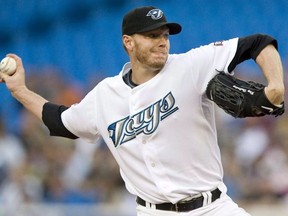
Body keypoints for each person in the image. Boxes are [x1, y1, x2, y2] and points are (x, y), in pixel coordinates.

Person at [0, 5, 285, 216]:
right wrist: (19, 91)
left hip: (212, 208)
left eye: (164, 34)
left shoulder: (191, 65)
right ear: (128, 42)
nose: (162, 40)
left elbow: (258, 43)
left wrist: (275, 87)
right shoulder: (104, 95)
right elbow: (60, 121)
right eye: (151, 35)